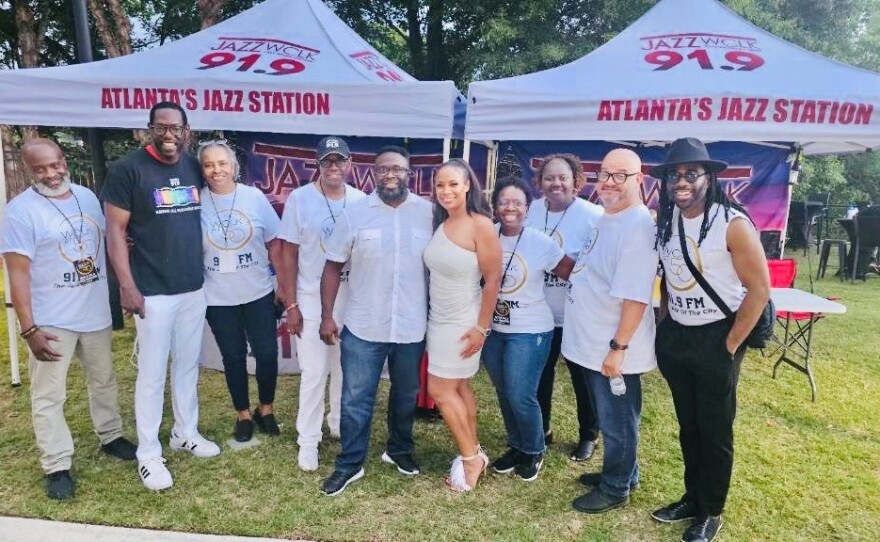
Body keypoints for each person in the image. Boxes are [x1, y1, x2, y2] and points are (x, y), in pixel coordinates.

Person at [0, 138, 137, 500]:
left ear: (64, 160)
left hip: (93, 312)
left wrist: (125, 287)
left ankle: (111, 436)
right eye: (41, 168)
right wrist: (29, 328)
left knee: (104, 380)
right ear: (30, 170)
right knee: (49, 396)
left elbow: (109, 244)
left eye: (56, 164)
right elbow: (16, 275)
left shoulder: (87, 197)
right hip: (51, 319)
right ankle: (57, 464)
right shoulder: (20, 211)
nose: (51, 173)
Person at [651, 138, 770, 542]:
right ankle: (692, 498)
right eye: (673, 174)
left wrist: (731, 344)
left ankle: (712, 511)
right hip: (678, 337)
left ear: (709, 177)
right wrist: (667, 323)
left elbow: (759, 289)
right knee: (689, 425)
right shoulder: (666, 219)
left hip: (718, 336)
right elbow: (667, 277)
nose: (680, 182)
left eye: (690, 173)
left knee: (715, 430)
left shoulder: (732, 222)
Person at [102, 101, 220, 492]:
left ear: (187, 130)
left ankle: (184, 432)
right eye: (161, 127)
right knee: (152, 374)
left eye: (176, 128)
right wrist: (127, 285)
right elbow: (115, 232)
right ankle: (149, 454)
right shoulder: (127, 169)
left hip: (192, 286)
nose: (169, 134)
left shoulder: (191, 166)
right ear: (149, 128)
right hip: (151, 290)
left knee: (187, 365)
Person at [318, 146, 432, 496]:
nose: (390, 174)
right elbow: (333, 266)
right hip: (364, 325)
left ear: (410, 172)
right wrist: (326, 316)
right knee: (355, 398)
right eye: (383, 169)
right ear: (372, 173)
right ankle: (350, 463)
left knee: (405, 394)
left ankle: (399, 451)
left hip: (411, 325)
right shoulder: (355, 214)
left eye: (397, 168)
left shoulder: (429, 213)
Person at [564, 148, 658, 514]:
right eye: (605, 174)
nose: (609, 182)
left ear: (639, 179)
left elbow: (636, 297)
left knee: (618, 423)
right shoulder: (609, 217)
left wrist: (618, 348)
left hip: (612, 348)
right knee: (613, 418)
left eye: (621, 175)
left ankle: (616, 487)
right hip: (591, 342)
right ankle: (624, 472)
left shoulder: (637, 226)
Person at [277, 136, 366, 471]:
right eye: (327, 161)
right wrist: (291, 304)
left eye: (339, 161)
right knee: (314, 372)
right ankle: (308, 440)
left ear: (349, 163)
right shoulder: (300, 199)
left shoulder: (361, 201)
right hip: (310, 297)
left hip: (351, 297)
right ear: (317, 164)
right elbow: (288, 253)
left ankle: (338, 421)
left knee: (344, 368)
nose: (333, 167)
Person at [484, 176, 576, 482]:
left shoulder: (541, 242)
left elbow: (572, 273)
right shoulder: (486, 236)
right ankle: (516, 445)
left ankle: (535, 449)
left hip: (531, 329)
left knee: (521, 392)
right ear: (495, 206)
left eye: (517, 203)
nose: (510, 207)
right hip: (494, 329)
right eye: (504, 202)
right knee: (503, 390)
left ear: (527, 207)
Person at [423, 159, 501, 492]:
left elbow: (494, 278)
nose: (446, 191)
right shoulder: (442, 223)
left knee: (439, 390)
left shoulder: (480, 224)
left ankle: (470, 459)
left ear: (468, 185)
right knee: (458, 388)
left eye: (453, 184)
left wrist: (481, 328)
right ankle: (474, 451)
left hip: (462, 322)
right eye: (440, 185)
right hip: (438, 319)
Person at [198, 140, 282, 443]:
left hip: (258, 291)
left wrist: (282, 285)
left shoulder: (254, 197)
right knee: (232, 356)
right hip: (217, 297)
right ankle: (243, 413)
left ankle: (266, 409)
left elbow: (275, 242)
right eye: (209, 164)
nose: (216, 170)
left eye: (222, 163)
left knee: (267, 354)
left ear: (234, 167)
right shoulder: (196, 200)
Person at [526, 153, 603, 461]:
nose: (556, 183)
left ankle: (589, 434)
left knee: (581, 376)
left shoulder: (592, 215)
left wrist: (560, 262)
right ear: (540, 182)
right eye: (549, 178)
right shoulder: (529, 211)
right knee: (539, 374)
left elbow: (595, 263)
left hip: (576, 312)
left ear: (576, 181)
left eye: (562, 178)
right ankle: (541, 428)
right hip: (537, 312)